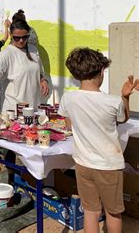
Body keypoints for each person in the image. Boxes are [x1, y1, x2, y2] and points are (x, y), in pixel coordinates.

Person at [58, 48, 138, 233]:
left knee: (90, 211)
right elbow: (123, 119)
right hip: (109, 166)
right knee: (113, 213)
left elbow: (69, 125)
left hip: (83, 164)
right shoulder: (112, 102)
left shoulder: (68, 98)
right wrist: (125, 97)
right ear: (101, 71)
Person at [0, 20, 49, 112]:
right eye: (17, 38)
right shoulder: (7, 53)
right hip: (14, 111)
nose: (21, 41)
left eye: (25, 37)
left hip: (33, 109)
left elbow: (38, 71)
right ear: (11, 35)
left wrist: (43, 80)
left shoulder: (33, 50)